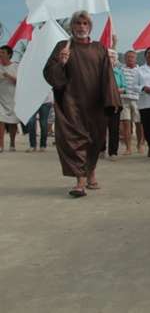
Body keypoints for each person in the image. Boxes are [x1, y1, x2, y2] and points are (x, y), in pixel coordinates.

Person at [43, 10, 121, 197]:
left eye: (85, 23)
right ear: (72, 26)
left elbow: (107, 76)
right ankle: (80, 181)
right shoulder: (63, 46)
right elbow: (49, 73)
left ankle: (91, 171)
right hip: (72, 102)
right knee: (74, 139)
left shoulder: (99, 48)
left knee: (95, 139)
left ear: (90, 26)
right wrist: (60, 63)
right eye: (78, 23)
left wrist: (112, 98)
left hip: (95, 103)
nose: (81, 27)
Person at [120, 50, 143, 155]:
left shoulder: (140, 70)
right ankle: (128, 147)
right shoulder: (121, 69)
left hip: (137, 99)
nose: (130, 59)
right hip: (124, 99)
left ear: (136, 58)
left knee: (139, 123)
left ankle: (139, 145)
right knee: (126, 123)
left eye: (132, 57)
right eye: (128, 57)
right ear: (125, 58)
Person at [106, 49, 125, 160]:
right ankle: (101, 149)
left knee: (114, 128)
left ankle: (113, 152)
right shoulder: (99, 71)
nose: (110, 59)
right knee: (100, 128)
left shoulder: (119, 72)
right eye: (108, 57)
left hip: (115, 103)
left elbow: (124, 87)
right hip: (101, 103)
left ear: (115, 60)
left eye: (112, 57)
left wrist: (115, 90)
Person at [0, 45, 20, 152]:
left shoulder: (16, 66)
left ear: (9, 54)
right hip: (1, 98)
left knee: (13, 123)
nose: (0, 54)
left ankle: (12, 143)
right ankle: (1, 145)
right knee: (0, 120)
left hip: (13, 98)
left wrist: (8, 75)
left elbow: (20, 82)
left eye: (2, 52)